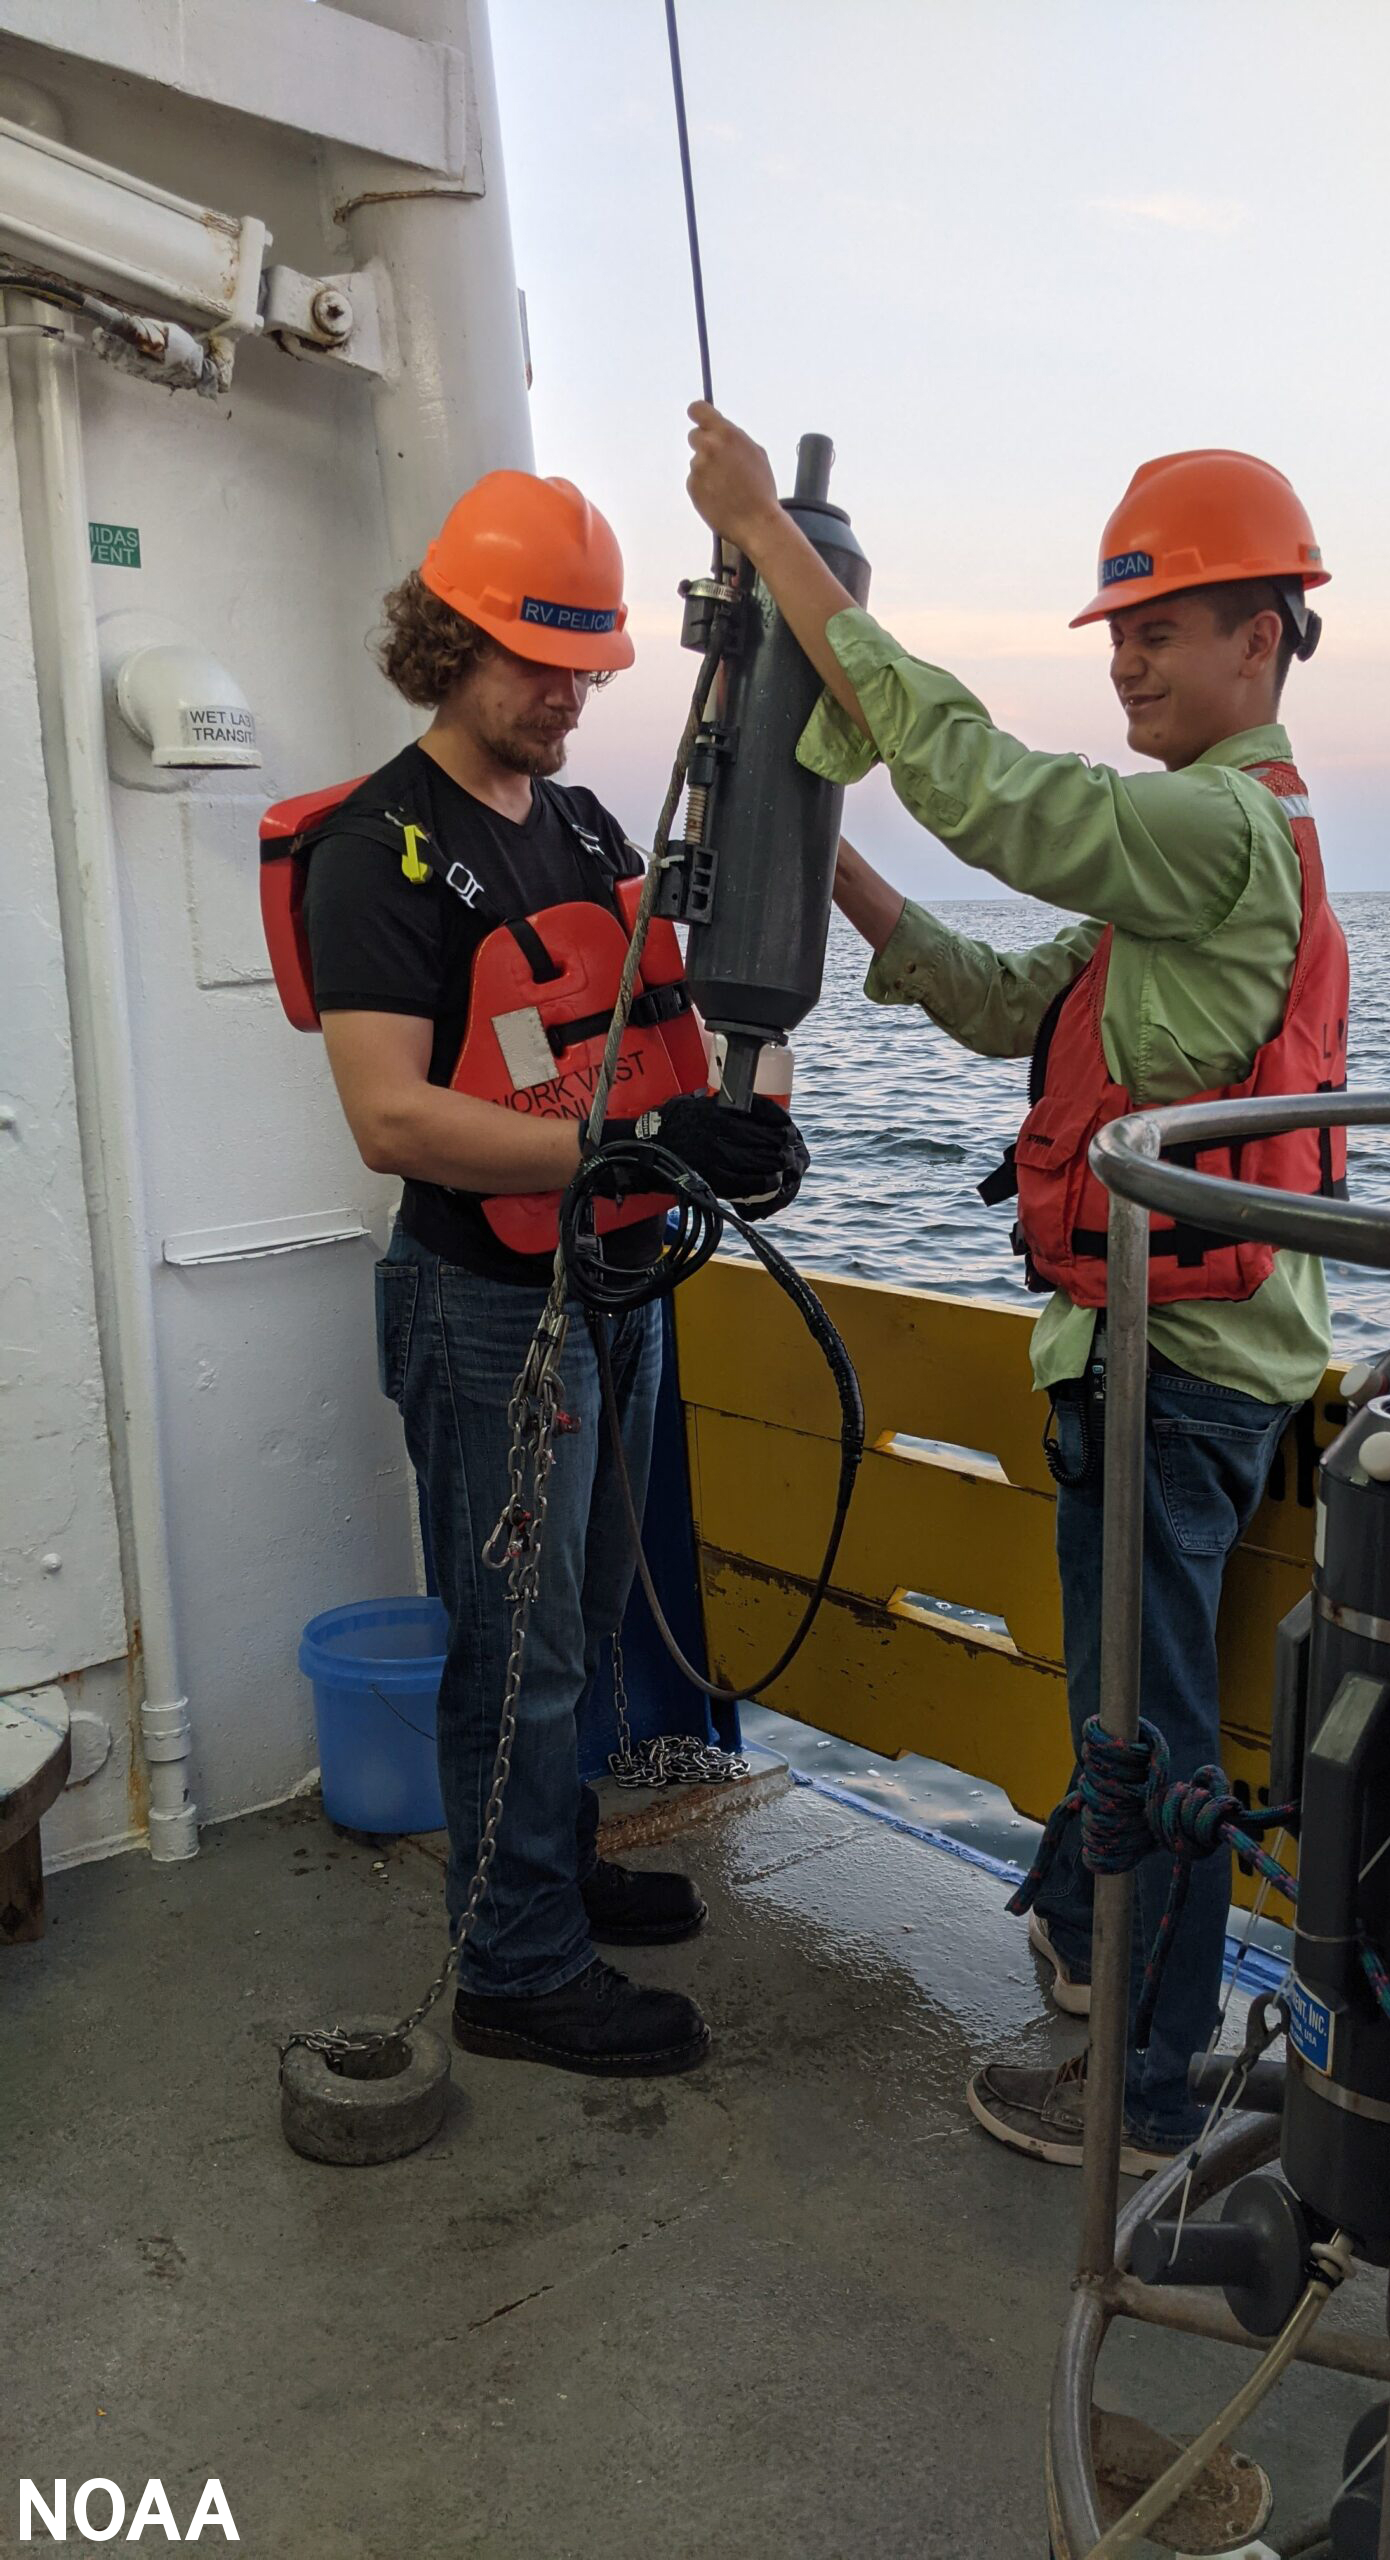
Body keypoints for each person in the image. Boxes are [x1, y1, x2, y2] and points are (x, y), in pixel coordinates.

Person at [686, 409, 1347, 2170]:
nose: (1127, 654)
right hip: (1160, 1357)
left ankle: (1140, 2088)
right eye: (1117, 627)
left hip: (1173, 1366)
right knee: (1128, 1710)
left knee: (1147, 1741)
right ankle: (1087, 1941)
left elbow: (984, 785)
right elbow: (995, 997)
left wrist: (769, 533)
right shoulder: (1182, 873)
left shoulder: (1211, 831)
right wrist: (820, 856)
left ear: (1259, 639)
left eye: (1160, 623)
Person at [300, 469, 806, 2078]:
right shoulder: (374, 853)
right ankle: (513, 1966)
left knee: (573, 1623)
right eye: (536, 663)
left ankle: (552, 1861)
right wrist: (623, 1162)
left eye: (587, 671)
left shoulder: (582, 824)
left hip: (613, 1287)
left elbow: (657, 1015)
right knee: (510, 1643)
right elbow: (390, 1116)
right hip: (486, 1311)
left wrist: (739, 1120)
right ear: (445, 639)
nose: (567, 700)